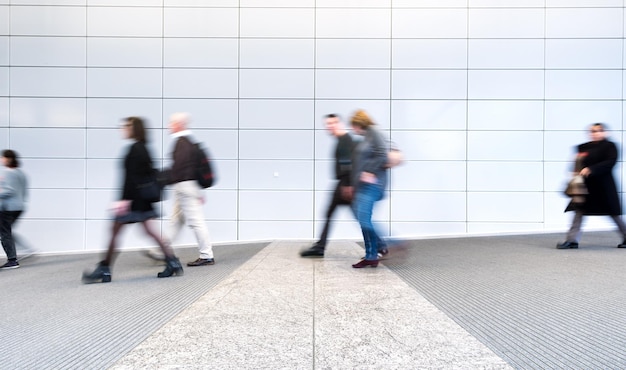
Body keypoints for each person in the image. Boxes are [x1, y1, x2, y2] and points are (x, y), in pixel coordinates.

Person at [82, 117, 183, 283]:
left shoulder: (135, 149)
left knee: (116, 233)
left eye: (126, 126)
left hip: (133, 202)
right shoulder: (143, 148)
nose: (123, 129)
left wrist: (123, 200)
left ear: (135, 128)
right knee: (147, 232)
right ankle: (172, 262)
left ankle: (104, 269)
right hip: (140, 201)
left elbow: (131, 179)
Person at [300, 114, 387, 258]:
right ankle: (381, 245)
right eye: (328, 124)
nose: (330, 126)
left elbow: (348, 163)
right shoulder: (341, 140)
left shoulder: (345, 140)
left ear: (339, 123)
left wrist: (347, 185)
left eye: (333, 123)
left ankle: (382, 245)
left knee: (357, 216)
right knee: (344, 214)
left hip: (345, 184)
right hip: (344, 183)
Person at [557, 123, 626, 249]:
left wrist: (591, 169)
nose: (595, 133)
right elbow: (577, 162)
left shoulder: (609, 146)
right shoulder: (583, 147)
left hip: (604, 186)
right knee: (579, 211)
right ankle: (571, 240)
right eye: (593, 131)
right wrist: (575, 170)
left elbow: (610, 162)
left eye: (599, 130)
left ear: (605, 132)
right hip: (586, 186)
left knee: (613, 213)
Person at [164, 112, 215, 267]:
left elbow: (182, 169)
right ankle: (162, 250)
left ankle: (206, 255)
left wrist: (164, 179)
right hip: (185, 187)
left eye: (171, 123)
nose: (169, 126)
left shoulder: (182, 143)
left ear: (179, 124)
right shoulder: (187, 142)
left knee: (196, 222)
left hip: (185, 187)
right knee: (176, 220)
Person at [349, 110, 391, 268]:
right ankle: (375, 252)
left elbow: (382, 154)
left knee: (364, 219)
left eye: (353, 125)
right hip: (364, 186)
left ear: (358, 123)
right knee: (362, 218)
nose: (352, 129)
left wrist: (369, 171)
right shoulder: (367, 136)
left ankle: (377, 252)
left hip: (373, 184)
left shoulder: (374, 133)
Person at [0, 150, 28, 270]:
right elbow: (23, 190)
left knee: (5, 232)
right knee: (6, 232)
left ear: (8, 159)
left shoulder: (9, 172)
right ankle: (25, 250)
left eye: (3, 157)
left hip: (8, 207)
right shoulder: (20, 172)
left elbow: (9, 191)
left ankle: (12, 260)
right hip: (19, 206)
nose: (1, 159)